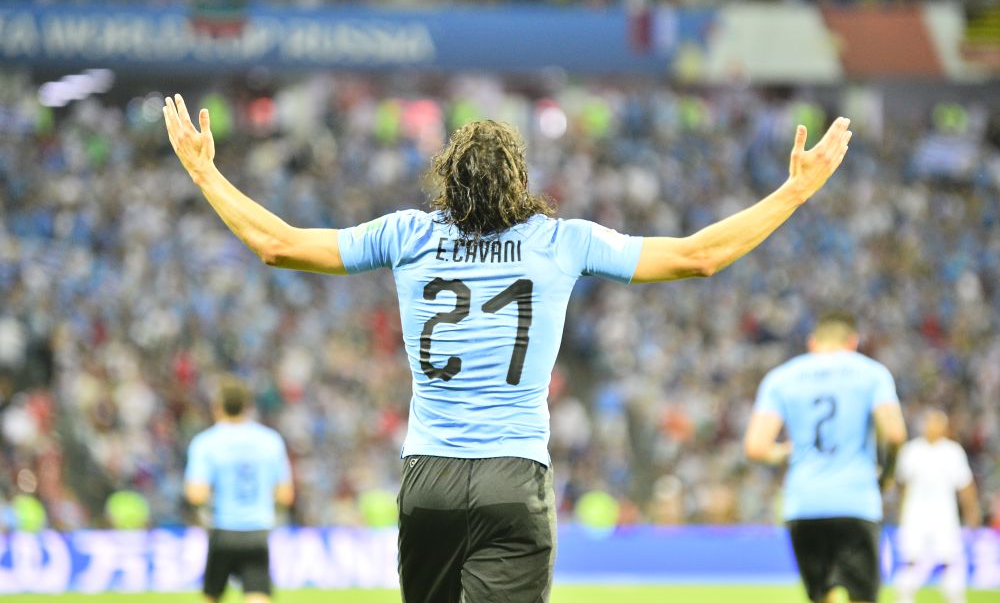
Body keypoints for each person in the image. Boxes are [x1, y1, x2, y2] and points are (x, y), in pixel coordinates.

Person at [164, 93, 852, 602]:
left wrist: (204, 174)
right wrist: (794, 191)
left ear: (447, 175)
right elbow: (699, 256)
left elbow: (277, 244)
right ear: (517, 179)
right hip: (512, 475)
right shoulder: (562, 240)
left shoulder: (406, 233)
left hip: (428, 474)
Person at [743, 311, 908, 603]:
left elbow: (756, 447)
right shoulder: (871, 373)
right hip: (855, 500)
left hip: (804, 502)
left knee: (823, 596)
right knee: (862, 596)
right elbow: (894, 434)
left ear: (812, 342)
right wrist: (887, 474)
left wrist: (787, 452)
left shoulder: (782, 377)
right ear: (853, 342)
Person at [184, 378, 294, 603]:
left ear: (217, 407)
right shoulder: (270, 440)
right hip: (258, 530)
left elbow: (196, 494)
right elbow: (285, 494)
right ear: (247, 406)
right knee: (257, 594)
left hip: (223, 529)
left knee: (212, 595)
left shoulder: (206, 442)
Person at [894, 409, 981, 603]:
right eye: (930, 422)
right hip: (915, 514)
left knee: (949, 562)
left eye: (938, 423)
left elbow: (966, 487)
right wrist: (898, 511)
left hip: (944, 516)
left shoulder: (953, 452)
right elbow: (901, 486)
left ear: (945, 427)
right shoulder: (911, 451)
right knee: (909, 560)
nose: (933, 427)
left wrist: (972, 514)